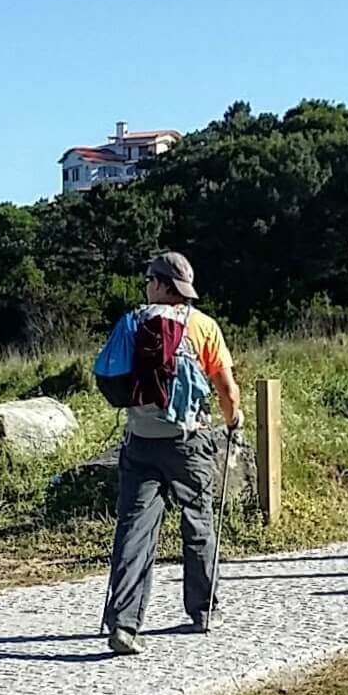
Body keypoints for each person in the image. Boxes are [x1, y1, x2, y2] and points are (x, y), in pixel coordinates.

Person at [100, 251, 244, 656]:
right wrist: (233, 420)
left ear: (162, 285)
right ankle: (203, 611)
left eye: (150, 279)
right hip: (189, 441)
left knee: (133, 530)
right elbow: (227, 391)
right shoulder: (203, 327)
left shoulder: (131, 322)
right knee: (198, 521)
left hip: (141, 441)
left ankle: (123, 624)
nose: (146, 285)